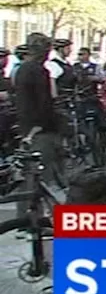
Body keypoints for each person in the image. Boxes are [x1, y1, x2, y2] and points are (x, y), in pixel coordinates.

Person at [14, 34, 62, 186]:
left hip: (25, 124)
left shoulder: (22, 69)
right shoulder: (40, 71)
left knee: (28, 170)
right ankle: (36, 206)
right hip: (40, 129)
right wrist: (43, 124)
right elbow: (44, 102)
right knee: (41, 171)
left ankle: (26, 207)